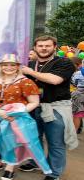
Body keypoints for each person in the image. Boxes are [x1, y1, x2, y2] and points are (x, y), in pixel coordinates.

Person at [20, 35, 78, 180]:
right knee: (33, 138)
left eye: (47, 45)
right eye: (40, 46)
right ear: (35, 47)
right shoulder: (30, 63)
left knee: (56, 142)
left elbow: (54, 80)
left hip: (55, 108)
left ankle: (54, 173)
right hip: (32, 107)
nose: (44, 48)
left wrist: (29, 72)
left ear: (54, 47)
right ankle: (35, 162)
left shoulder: (64, 62)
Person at [0, 54, 50, 180]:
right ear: (1, 66)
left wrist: (17, 113)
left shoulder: (26, 82)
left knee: (11, 142)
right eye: (5, 65)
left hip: (16, 117)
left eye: (12, 65)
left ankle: (10, 168)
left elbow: (34, 102)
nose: (9, 67)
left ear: (18, 66)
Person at [71, 59, 84, 131]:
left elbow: (74, 83)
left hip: (79, 94)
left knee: (77, 114)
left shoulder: (77, 73)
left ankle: (75, 131)